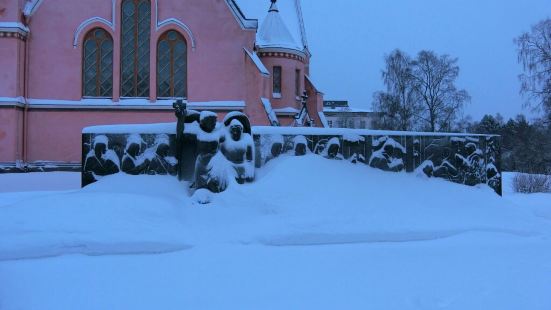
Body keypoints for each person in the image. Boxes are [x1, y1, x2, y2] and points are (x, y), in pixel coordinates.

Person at [221, 119, 254, 184]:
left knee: (242, 181)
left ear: (241, 130)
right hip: (229, 165)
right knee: (231, 181)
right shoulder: (225, 140)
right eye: (233, 130)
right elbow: (221, 156)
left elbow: (249, 159)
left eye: (238, 130)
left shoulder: (247, 139)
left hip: (242, 165)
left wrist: (249, 171)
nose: (235, 132)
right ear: (230, 130)